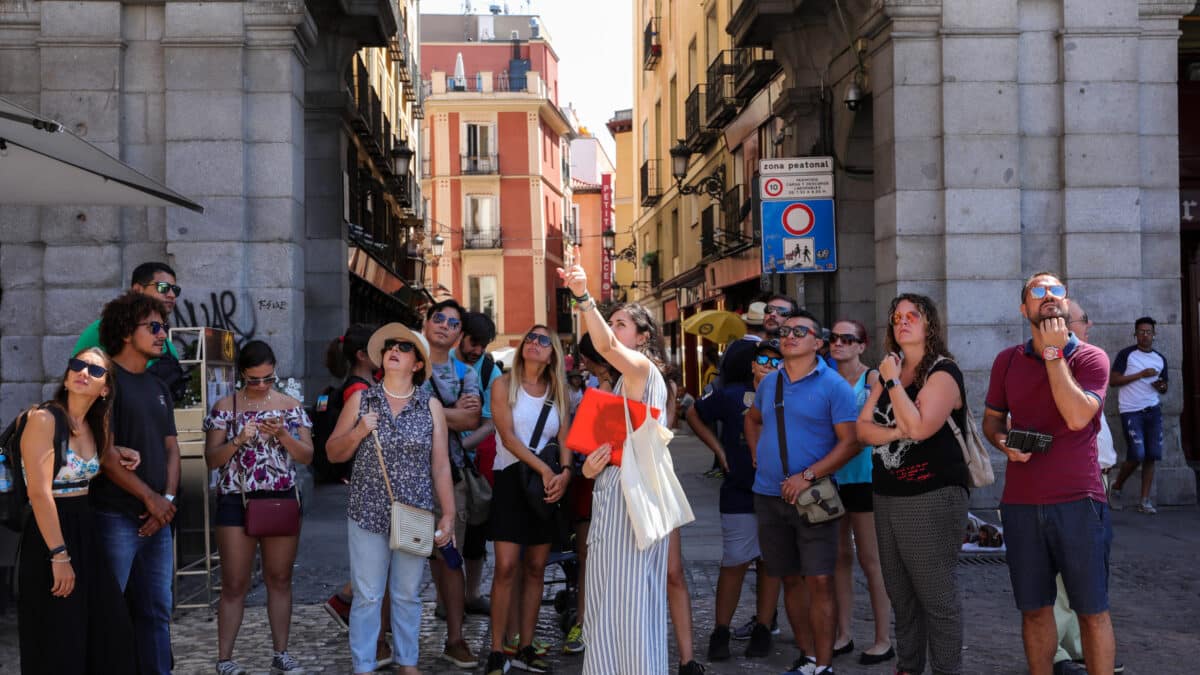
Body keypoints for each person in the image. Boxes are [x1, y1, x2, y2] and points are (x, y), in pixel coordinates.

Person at [558, 247, 704, 675]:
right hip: (612, 495)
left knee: (632, 606)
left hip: (634, 501)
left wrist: (584, 297)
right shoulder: (620, 382)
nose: (612, 330)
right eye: (613, 320)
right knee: (604, 605)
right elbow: (603, 451)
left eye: (621, 322)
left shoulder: (642, 370)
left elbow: (601, 342)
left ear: (642, 336)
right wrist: (589, 468)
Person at [983, 272, 1114, 675]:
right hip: (1021, 504)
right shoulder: (1007, 360)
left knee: (1091, 610)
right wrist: (1005, 443)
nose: (1049, 297)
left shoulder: (1091, 358)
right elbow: (991, 422)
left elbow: (1077, 417)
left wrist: (1055, 354)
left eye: (1056, 290)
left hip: (1079, 502)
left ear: (1067, 303)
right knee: (1034, 610)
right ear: (1024, 309)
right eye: (1037, 291)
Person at [325, 323, 455, 675]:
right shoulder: (361, 399)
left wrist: (448, 516)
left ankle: (407, 661)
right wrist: (358, 432)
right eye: (389, 347)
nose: (393, 350)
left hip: (414, 511)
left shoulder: (430, 407)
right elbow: (333, 452)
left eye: (404, 347)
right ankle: (364, 664)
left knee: (407, 592)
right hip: (366, 510)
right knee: (368, 594)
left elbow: (440, 465)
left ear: (417, 364)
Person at [856, 296, 970, 675]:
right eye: (896, 318)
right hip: (887, 494)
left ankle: (945, 670)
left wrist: (890, 384)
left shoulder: (942, 372)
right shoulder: (889, 368)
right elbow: (862, 429)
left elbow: (921, 429)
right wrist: (899, 427)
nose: (902, 323)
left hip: (932, 495)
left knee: (936, 596)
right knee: (900, 595)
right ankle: (908, 667)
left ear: (929, 325)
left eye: (912, 317)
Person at [744, 311, 859, 675]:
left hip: (815, 498)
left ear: (818, 342)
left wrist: (807, 475)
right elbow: (752, 419)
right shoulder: (769, 383)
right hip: (768, 496)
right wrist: (756, 456)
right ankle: (808, 657)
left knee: (820, 579)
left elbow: (851, 442)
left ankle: (824, 665)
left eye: (799, 331)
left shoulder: (834, 386)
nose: (789, 336)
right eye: (785, 331)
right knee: (788, 577)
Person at [17, 349, 137, 674]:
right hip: (50, 535)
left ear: (106, 388)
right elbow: (40, 493)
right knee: (60, 640)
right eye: (77, 365)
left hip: (86, 529)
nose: (83, 372)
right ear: (68, 376)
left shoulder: (96, 422)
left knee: (108, 633)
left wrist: (122, 452)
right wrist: (59, 556)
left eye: (94, 371)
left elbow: (90, 463)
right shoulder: (44, 419)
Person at [203, 340, 313, 675]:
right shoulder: (226, 407)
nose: (262, 385)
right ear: (241, 376)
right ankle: (225, 659)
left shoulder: (290, 406)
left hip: (278, 496)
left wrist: (282, 434)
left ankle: (282, 652)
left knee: (279, 578)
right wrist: (238, 440)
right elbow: (211, 460)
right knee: (234, 582)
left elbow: (307, 456)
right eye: (254, 379)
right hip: (236, 498)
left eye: (268, 378)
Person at [88, 291, 180, 675]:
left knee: (158, 610)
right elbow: (104, 454)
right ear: (127, 331)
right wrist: (151, 499)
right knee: (109, 610)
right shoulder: (104, 382)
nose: (163, 335)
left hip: (157, 521)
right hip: (116, 516)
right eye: (154, 327)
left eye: (164, 327)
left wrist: (167, 501)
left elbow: (172, 450)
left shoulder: (158, 386)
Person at [484, 325, 574, 674]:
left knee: (536, 567)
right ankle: (496, 649)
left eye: (543, 341)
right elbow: (507, 438)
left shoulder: (558, 390)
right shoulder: (503, 385)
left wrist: (564, 473)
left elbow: (565, 435)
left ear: (552, 353)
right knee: (506, 567)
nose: (535, 344)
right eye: (531, 338)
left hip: (547, 486)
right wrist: (547, 471)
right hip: (512, 481)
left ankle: (526, 645)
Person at [1053, 303, 1124, 675]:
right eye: (1081, 322)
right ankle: (1060, 654)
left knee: (1091, 571)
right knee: (1063, 576)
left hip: (1098, 479)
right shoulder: (1053, 365)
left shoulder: (1090, 360)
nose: (1088, 326)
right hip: (1071, 484)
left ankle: (1082, 647)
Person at [687, 337, 766, 662]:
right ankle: (749, 629)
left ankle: (731, 631)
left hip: (761, 489)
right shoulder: (731, 395)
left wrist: (718, 451)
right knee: (757, 564)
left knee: (741, 564)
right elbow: (693, 413)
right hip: (746, 490)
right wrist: (719, 451)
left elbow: (692, 413)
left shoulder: (773, 392)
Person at [827, 319, 893, 666]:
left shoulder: (874, 380)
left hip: (867, 476)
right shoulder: (826, 380)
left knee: (871, 560)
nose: (838, 343)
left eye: (847, 339)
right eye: (834, 338)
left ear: (861, 345)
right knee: (839, 557)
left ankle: (883, 638)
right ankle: (843, 633)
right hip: (834, 478)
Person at [421, 299, 482, 668]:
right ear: (426, 323)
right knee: (403, 556)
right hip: (407, 478)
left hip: (451, 475)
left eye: (453, 322)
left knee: (449, 556)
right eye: (438, 318)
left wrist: (422, 408)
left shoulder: (465, 373)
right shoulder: (407, 359)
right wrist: (450, 414)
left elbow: (471, 421)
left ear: (460, 333)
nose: (444, 325)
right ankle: (385, 636)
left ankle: (455, 638)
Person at [73, 262, 188, 400]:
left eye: (175, 290)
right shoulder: (102, 330)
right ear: (137, 289)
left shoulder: (167, 346)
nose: (171, 295)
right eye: (163, 288)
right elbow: (78, 383)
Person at [452, 311, 503, 613]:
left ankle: (470, 595)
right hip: (434, 462)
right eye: (473, 342)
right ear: (460, 334)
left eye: (483, 345)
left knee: (474, 533)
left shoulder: (488, 372)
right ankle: (449, 599)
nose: (478, 350)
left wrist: (458, 446)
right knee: (442, 538)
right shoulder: (438, 364)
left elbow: (489, 422)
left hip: (472, 467)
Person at [1108, 316, 1168, 514]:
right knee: (1138, 453)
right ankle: (1116, 488)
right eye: (1141, 332)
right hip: (1131, 411)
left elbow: (1164, 387)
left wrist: (1161, 386)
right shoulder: (1127, 355)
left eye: (1148, 332)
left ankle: (1145, 500)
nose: (1145, 335)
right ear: (1135, 334)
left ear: (1154, 334)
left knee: (1152, 455)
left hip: (1153, 410)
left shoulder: (1160, 359)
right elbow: (1114, 381)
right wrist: (1140, 375)